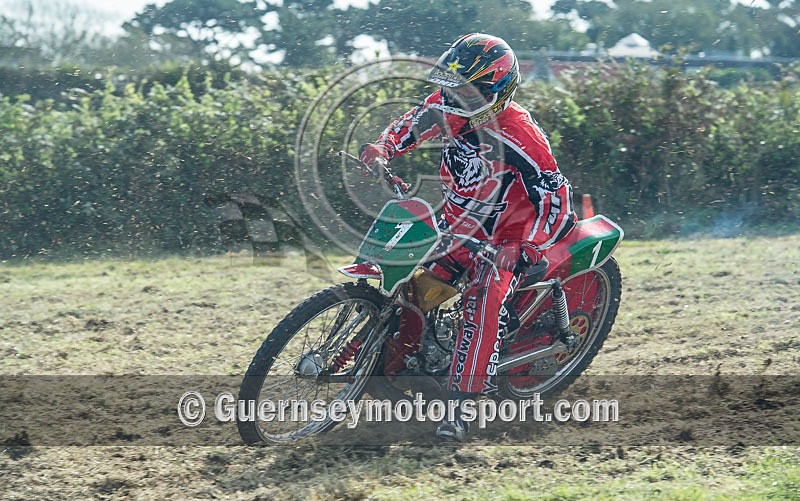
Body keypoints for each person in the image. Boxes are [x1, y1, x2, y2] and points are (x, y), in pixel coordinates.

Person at [359, 33, 577, 441]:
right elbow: (410, 125)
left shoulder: (520, 136)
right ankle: (390, 371)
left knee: (482, 302)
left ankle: (459, 412)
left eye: (465, 90)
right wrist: (382, 148)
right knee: (407, 284)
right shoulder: (446, 106)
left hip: (505, 239)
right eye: (450, 85)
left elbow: (556, 196)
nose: (451, 96)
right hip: (458, 224)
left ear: (494, 92)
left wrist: (526, 246)